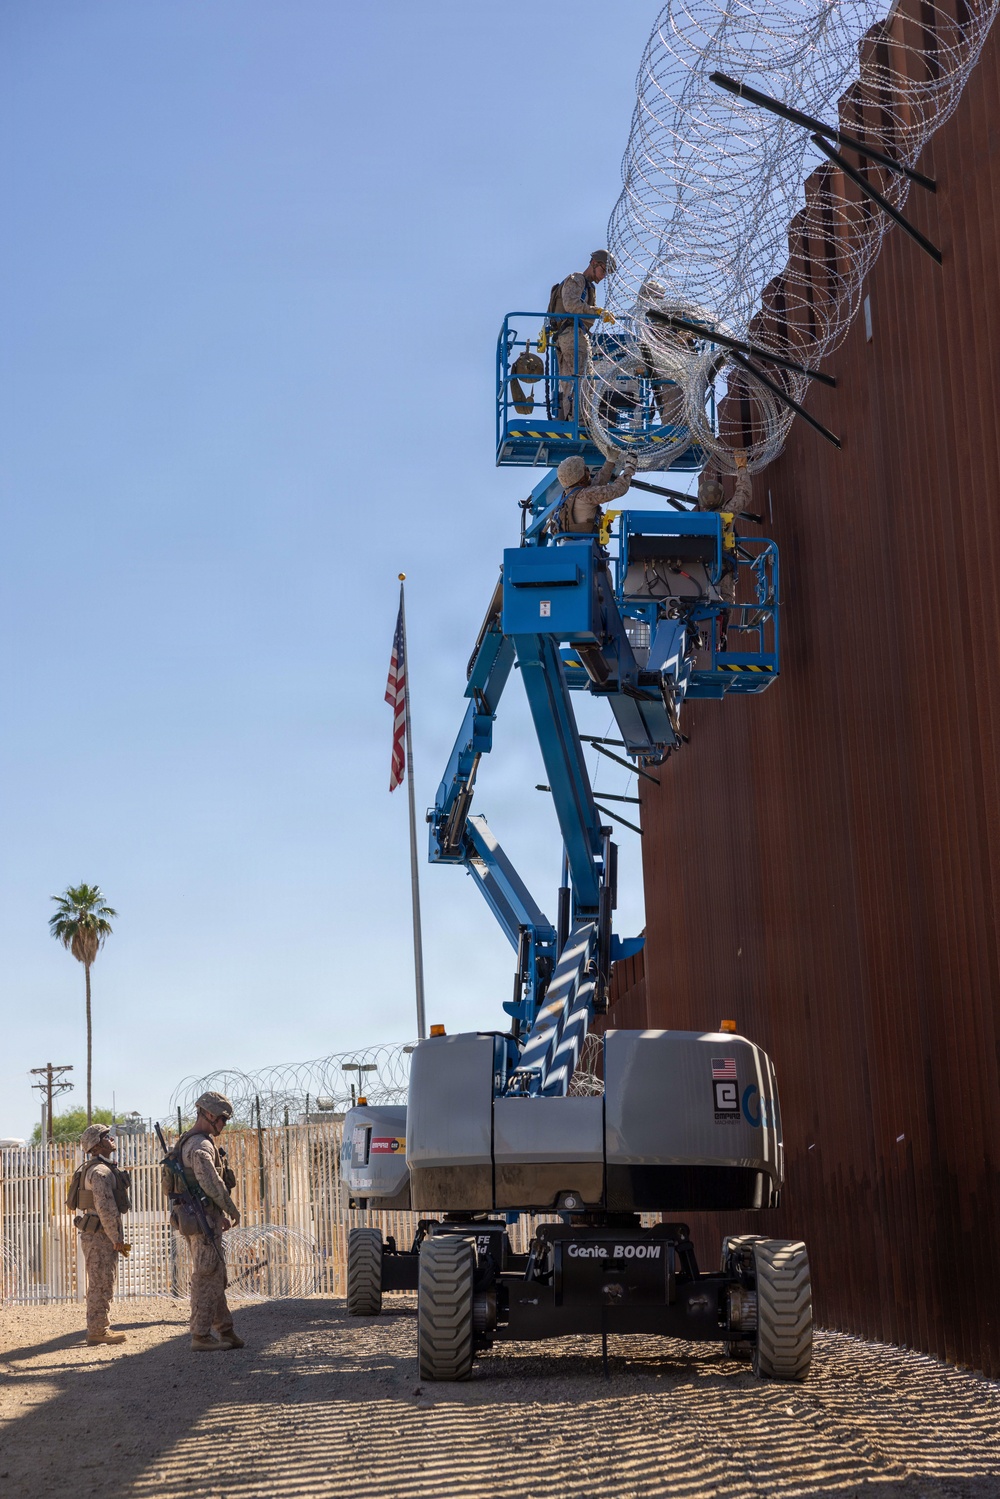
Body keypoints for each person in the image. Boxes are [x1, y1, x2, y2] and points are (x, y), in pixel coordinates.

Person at [176, 1091, 244, 1352]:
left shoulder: (192, 1141)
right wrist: (231, 1209)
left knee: (215, 1274)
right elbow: (211, 1183)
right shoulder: (200, 1146)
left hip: (201, 1217)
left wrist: (219, 1215)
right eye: (223, 1119)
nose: (225, 1124)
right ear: (209, 1115)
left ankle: (225, 1330)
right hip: (201, 1220)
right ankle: (201, 1335)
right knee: (207, 1276)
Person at [74, 1123, 130, 1346]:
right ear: (96, 1145)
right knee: (100, 1282)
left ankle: (99, 1327)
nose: (112, 1138)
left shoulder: (102, 1168)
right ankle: (97, 1331)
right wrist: (116, 1237)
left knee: (103, 1280)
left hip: (98, 1233)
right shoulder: (100, 1172)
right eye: (106, 1136)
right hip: (100, 1235)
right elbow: (105, 1207)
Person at [696, 447, 753, 647]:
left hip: (699, 574)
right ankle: (720, 637)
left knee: (701, 608)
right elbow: (744, 493)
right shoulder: (726, 515)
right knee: (724, 606)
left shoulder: (694, 523)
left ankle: (703, 638)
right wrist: (741, 467)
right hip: (724, 571)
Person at [550, 250, 615, 422]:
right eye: (603, 270)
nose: (603, 276)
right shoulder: (577, 279)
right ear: (594, 263)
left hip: (572, 335)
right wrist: (597, 311)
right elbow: (571, 305)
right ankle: (580, 421)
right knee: (583, 377)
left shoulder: (589, 288)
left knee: (571, 380)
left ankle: (572, 419)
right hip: (572, 335)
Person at [553, 452, 637, 536]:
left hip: (578, 542)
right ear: (581, 480)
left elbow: (596, 484)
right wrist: (629, 468)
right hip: (587, 542)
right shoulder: (584, 496)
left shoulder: (567, 497)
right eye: (586, 469)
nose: (589, 472)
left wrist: (610, 462)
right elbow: (618, 489)